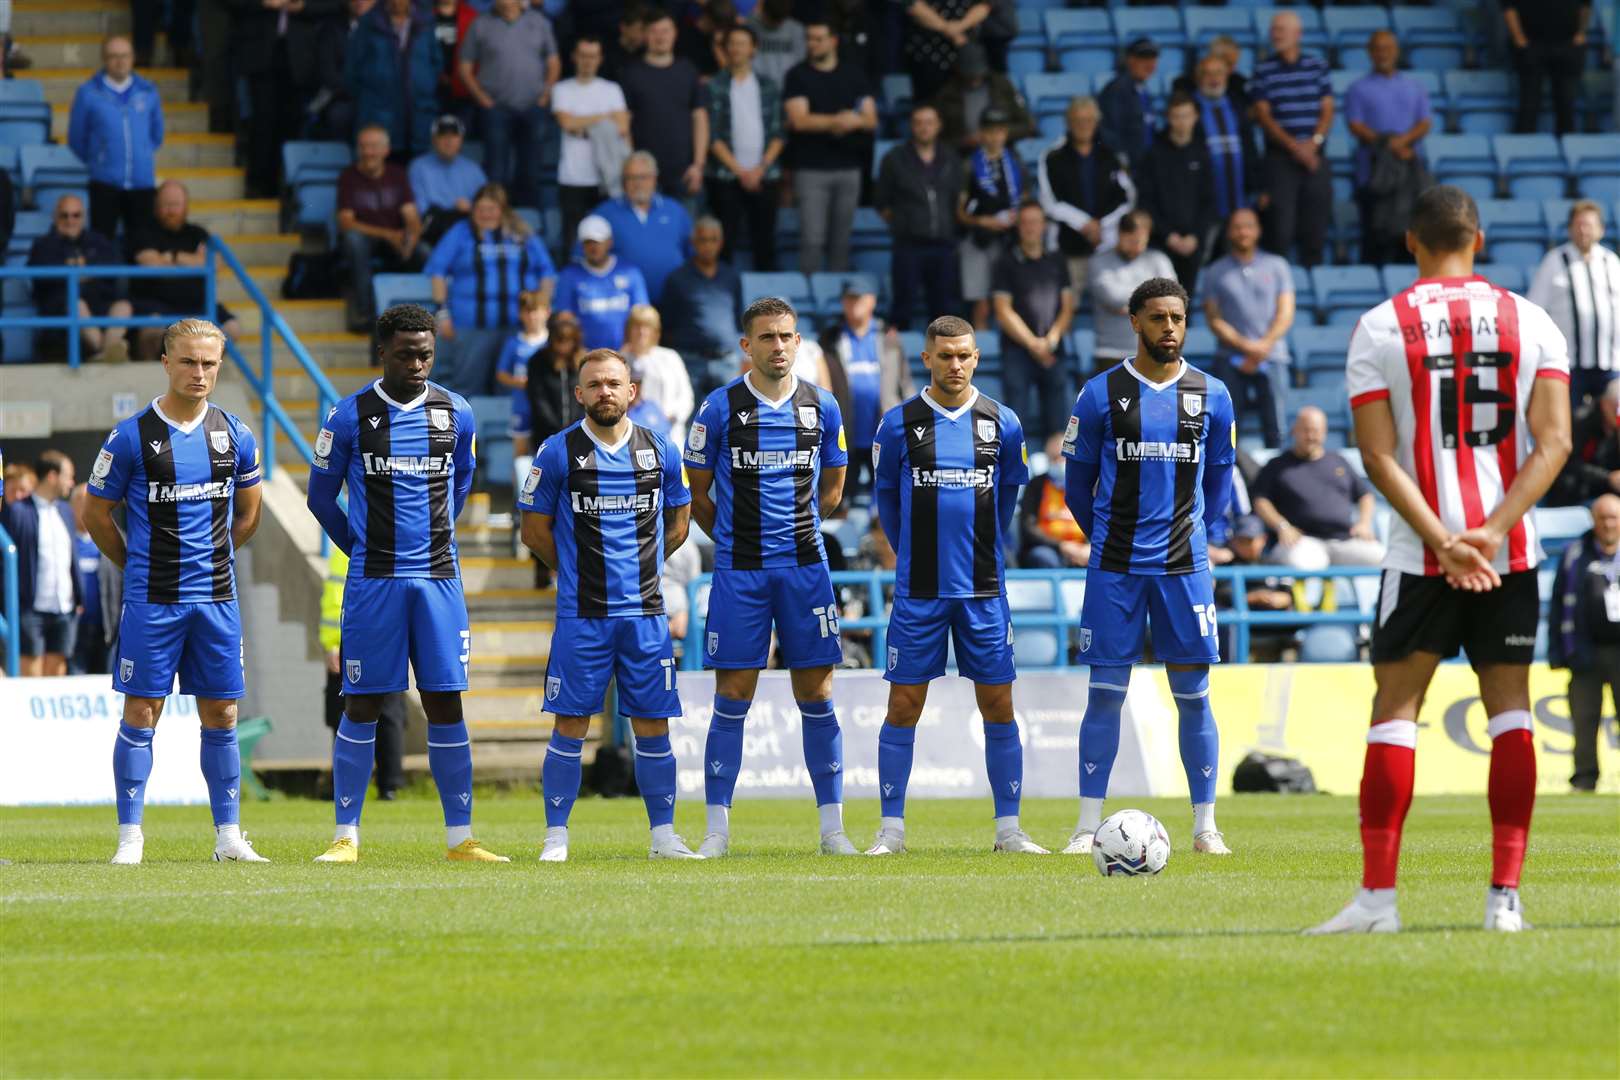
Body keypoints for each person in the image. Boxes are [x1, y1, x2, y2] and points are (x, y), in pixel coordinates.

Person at [1310, 185, 1574, 934]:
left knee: (1395, 713)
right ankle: (1504, 901)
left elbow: (1376, 452)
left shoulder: (1379, 325)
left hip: (1419, 553)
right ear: (1479, 239)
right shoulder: (1533, 320)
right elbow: (1554, 442)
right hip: (1509, 553)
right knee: (1511, 713)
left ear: (1411, 242)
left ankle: (1378, 902)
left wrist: (1443, 538)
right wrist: (1489, 533)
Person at [306, 304, 507, 864]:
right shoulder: (348, 417)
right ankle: (345, 836)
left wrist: (434, 534)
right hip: (374, 582)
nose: (417, 364)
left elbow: (462, 480)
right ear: (382, 352)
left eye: (425, 354)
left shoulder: (456, 412)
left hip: (440, 580)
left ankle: (460, 838)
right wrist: (363, 549)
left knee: (445, 702)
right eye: (405, 354)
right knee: (364, 702)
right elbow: (320, 499)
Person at [1060, 276, 1236, 858]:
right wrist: (1112, 538)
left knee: (1194, 694)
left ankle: (1206, 826)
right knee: (1105, 693)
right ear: (1134, 321)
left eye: (1177, 319)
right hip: (1115, 567)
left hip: (1185, 567)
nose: (1169, 328)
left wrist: (1190, 534)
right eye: (1157, 318)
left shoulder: (1212, 395)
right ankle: (1088, 826)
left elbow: (1219, 482)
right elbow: (1077, 489)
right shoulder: (1099, 394)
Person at [81, 318, 267, 865]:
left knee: (223, 714)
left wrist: (216, 558)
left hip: (215, 599)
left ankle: (229, 835)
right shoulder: (130, 435)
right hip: (153, 600)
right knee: (142, 711)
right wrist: (136, 563)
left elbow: (249, 514)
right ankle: (130, 838)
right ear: (166, 362)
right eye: (188, 361)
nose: (199, 373)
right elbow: (95, 514)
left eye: (209, 363)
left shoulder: (235, 433)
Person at [865, 314, 1044, 855]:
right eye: (945, 355)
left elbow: (1008, 497)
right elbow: (888, 504)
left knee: (998, 703)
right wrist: (912, 554)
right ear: (927, 358)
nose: (956, 364)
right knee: (903, 706)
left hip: (984, 589)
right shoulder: (897, 425)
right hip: (919, 591)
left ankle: (1008, 830)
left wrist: (978, 546)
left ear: (976, 357)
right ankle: (891, 831)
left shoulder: (1003, 423)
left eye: (964, 355)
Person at [683, 296, 855, 857]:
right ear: (746, 345)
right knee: (733, 695)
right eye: (766, 338)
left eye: (786, 336)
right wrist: (737, 536)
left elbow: (832, 487)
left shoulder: (823, 407)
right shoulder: (718, 408)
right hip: (740, 571)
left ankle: (833, 830)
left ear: (798, 341)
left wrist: (799, 529)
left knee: (818, 692)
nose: (777, 347)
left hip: (806, 569)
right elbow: (698, 495)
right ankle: (716, 832)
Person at [518, 349, 699, 860]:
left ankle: (664, 836)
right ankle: (556, 837)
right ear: (579, 395)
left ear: (631, 391)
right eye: (594, 385)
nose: (605, 392)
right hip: (583, 616)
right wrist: (575, 568)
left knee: (653, 724)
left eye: (614, 384)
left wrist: (643, 566)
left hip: (645, 615)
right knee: (570, 723)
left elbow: (680, 521)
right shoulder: (557, 452)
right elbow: (534, 530)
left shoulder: (660, 451)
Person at [425, 182, 557, 396]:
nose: (486, 215)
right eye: (480, 209)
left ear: (503, 209)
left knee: (512, 387)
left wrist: (542, 309)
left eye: (491, 209)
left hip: (517, 327)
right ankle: (463, 430)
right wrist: (442, 313)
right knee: (467, 386)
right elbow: (437, 271)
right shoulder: (461, 232)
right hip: (472, 326)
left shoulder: (522, 233)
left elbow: (547, 273)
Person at [783, 21, 877, 276]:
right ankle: (806, 304)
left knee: (841, 243)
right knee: (812, 240)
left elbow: (870, 119)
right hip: (811, 169)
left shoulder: (854, 74)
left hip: (849, 169)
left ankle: (837, 301)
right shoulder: (797, 75)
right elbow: (799, 120)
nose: (812, 44)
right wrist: (839, 120)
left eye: (818, 38)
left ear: (833, 41)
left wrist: (854, 120)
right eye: (809, 39)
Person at [320, 547, 407, 801]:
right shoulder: (394, 540)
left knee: (347, 713)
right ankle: (389, 784)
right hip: (387, 634)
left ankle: (346, 784)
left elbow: (335, 600)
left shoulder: (345, 546)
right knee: (389, 711)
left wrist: (332, 642)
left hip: (353, 637)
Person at [1203, 208, 1295, 448]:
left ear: (1258, 230)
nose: (1243, 231)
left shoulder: (1277, 266)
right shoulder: (1215, 271)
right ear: (1229, 232)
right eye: (1237, 226)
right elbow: (1214, 319)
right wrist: (1247, 347)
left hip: (1273, 357)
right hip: (1230, 358)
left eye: (1249, 226)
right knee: (1227, 430)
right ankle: (1231, 483)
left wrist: (1263, 346)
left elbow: (1285, 311)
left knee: (1278, 429)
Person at [1252, 407, 1383, 572]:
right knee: (1304, 565)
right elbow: (1260, 500)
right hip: (1303, 541)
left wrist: (1364, 523)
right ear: (1294, 431)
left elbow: (1365, 495)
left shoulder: (1339, 461)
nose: (1311, 436)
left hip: (1345, 540)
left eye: (1316, 431)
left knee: (1384, 558)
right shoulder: (1277, 465)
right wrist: (1282, 526)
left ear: (1325, 432)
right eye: (1306, 430)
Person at [457, 0, 559, 212]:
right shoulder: (480, 24)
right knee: (496, 170)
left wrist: (546, 93)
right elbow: (464, 67)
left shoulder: (539, 22)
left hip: (532, 107)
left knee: (531, 169)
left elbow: (554, 62)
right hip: (496, 109)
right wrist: (481, 98)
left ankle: (528, 223)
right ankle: (495, 218)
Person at [1548, 494, 1620, 792]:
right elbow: (1557, 604)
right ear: (1593, 520)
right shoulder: (1575, 553)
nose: (1607, 524)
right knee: (1583, 719)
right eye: (1601, 518)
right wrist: (1558, 653)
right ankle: (1584, 779)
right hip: (1585, 650)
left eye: (1613, 518)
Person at [820, 279, 915, 503]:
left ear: (872, 300)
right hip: (844, 433)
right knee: (838, 501)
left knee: (888, 503)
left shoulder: (888, 336)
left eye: (859, 298)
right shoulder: (830, 338)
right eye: (849, 299)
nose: (854, 304)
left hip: (883, 433)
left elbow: (905, 383)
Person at [1251, 12, 1333, 268]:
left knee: (1315, 227)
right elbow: (1263, 115)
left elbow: (1328, 109)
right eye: (1274, 30)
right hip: (1280, 158)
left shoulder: (1317, 66)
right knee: (1280, 228)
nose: (1276, 35)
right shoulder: (1263, 69)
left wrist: (1314, 143)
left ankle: (1314, 279)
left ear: (1298, 34)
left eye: (1281, 30)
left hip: (1314, 156)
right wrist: (1295, 147)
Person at [1345, 32, 1434, 268]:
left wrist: (1402, 142)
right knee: (1374, 236)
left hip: (1408, 174)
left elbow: (1424, 122)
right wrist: (1388, 144)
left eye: (1388, 48)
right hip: (1374, 174)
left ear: (1396, 51)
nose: (1383, 53)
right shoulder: (1358, 88)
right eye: (1378, 48)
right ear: (1370, 52)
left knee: (1408, 238)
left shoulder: (1414, 86)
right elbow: (1355, 124)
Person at [129, 182, 243, 362]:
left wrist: (172, 257)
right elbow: (151, 265)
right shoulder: (144, 233)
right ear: (157, 207)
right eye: (165, 205)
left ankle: (203, 370)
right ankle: (151, 375)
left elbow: (215, 264)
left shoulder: (197, 233)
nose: (171, 210)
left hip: (198, 305)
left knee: (232, 329)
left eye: (176, 205)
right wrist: (194, 261)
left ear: (186, 206)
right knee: (150, 331)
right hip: (157, 304)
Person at [67, 35, 163, 249]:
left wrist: (143, 155)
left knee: (143, 248)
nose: (120, 61)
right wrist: (99, 160)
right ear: (104, 59)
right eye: (113, 56)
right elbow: (76, 138)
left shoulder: (148, 91)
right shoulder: (88, 93)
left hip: (142, 183)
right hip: (104, 183)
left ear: (133, 58)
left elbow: (157, 134)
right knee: (101, 247)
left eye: (125, 56)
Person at [705, 24, 787, 274]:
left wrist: (759, 169)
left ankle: (769, 306)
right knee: (724, 243)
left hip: (765, 176)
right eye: (732, 43)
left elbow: (778, 133)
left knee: (765, 243)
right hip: (726, 177)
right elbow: (712, 135)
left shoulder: (768, 86)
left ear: (753, 48)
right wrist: (740, 171)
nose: (737, 48)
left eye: (742, 43)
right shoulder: (714, 85)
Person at [993, 200, 1076, 442]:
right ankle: (1016, 473)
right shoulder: (1005, 261)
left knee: (1058, 422)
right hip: (1017, 351)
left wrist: (1051, 339)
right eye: (1026, 222)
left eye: (1035, 222)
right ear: (1018, 226)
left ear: (1044, 226)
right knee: (1014, 420)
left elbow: (1067, 306)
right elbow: (1003, 310)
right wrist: (1033, 344)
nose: (1031, 227)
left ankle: (1056, 476)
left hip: (1053, 347)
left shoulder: (1057, 260)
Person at [1037, 96, 1134, 302]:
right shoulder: (1052, 156)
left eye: (1088, 120)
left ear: (1096, 122)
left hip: (1107, 244)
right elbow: (1049, 201)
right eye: (1077, 120)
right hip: (1068, 247)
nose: (1083, 125)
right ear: (1068, 123)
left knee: (1115, 304)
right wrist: (1085, 224)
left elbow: (1126, 198)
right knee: (1066, 308)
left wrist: (1101, 224)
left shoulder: (1111, 155)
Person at [876, 104, 963, 330]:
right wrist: (904, 224)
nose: (924, 128)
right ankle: (897, 361)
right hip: (908, 244)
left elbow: (958, 200)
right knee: (902, 306)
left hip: (943, 244)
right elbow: (882, 202)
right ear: (912, 126)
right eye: (919, 123)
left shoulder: (951, 158)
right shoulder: (894, 158)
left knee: (943, 310)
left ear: (938, 126)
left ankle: (942, 361)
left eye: (929, 122)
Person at [1529, 200, 1620, 409]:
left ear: (1601, 229)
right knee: (1572, 427)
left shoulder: (1611, 262)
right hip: (1570, 364)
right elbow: (1536, 309)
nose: (1583, 230)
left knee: (1614, 423)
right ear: (1569, 229)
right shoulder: (1554, 261)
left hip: (1611, 363)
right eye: (1578, 225)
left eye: (1589, 225)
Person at [337, 125, 427, 333]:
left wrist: (411, 238)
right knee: (353, 240)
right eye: (363, 147)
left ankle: (419, 316)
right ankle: (366, 313)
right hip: (369, 240)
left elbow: (412, 217)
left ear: (386, 150)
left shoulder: (398, 174)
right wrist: (389, 235)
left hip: (395, 239)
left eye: (374, 147)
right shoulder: (348, 176)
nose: (368, 152)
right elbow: (346, 222)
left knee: (424, 251)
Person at [0, 451, 80, 677]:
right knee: (30, 677)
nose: (72, 483)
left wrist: (78, 597)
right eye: (69, 476)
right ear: (53, 476)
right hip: (30, 610)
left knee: (58, 675)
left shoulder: (66, 511)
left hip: (64, 610)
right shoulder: (18, 511)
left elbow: (70, 558)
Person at [27, 194, 133, 362]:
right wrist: (82, 271)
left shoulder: (98, 241)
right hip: (61, 312)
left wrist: (76, 270)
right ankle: (105, 351)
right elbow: (40, 274)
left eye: (76, 215)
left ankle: (105, 352)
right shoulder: (44, 244)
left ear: (84, 217)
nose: (70, 220)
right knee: (78, 304)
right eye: (64, 215)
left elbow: (112, 267)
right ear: (55, 217)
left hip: (99, 306)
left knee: (123, 306)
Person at [551, 35, 631, 252]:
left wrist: (585, 124)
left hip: (606, 177)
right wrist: (605, 119)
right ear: (574, 58)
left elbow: (622, 127)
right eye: (583, 56)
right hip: (573, 176)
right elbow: (567, 123)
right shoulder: (562, 89)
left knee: (608, 236)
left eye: (593, 56)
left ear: (600, 59)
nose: (588, 61)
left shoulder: (612, 89)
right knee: (572, 239)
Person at [620, 11, 707, 201]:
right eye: (654, 31)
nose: (660, 37)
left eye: (665, 31)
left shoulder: (688, 70)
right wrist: (633, 167)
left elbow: (700, 118)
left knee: (683, 230)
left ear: (675, 33)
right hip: (643, 175)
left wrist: (698, 165)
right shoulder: (631, 73)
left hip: (684, 173)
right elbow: (624, 123)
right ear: (645, 35)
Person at [1136, 93, 1218, 294]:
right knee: (1160, 299)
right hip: (1161, 241)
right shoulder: (1153, 154)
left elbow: (1209, 201)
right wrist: (1168, 236)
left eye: (1186, 115)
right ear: (1168, 118)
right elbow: (1146, 200)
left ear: (1195, 117)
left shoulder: (1203, 153)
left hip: (1193, 243)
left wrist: (1196, 236)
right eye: (1176, 116)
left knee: (1185, 302)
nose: (1181, 122)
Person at [589, 153, 695, 306]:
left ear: (654, 179)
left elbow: (692, 254)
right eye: (631, 178)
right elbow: (586, 260)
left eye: (643, 177)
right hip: (623, 307)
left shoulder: (675, 210)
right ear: (623, 182)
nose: (638, 183)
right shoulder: (604, 214)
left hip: (674, 304)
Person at [344, 0, 442, 161]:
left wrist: (424, 85)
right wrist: (373, 93)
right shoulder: (369, 23)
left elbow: (436, 62)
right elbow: (352, 69)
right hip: (378, 113)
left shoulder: (426, 22)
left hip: (419, 113)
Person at [956, 106, 1023, 330]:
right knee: (982, 304)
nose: (995, 136)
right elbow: (960, 212)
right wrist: (983, 222)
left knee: (1008, 301)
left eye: (1000, 131)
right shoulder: (968, 164)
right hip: (978, 240)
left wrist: (1016, 218)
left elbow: (1026, 199)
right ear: (982, 133)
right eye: (990, 131)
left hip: (1009, 238)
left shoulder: (1015, 161)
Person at [661, 217, 742, 396]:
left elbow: (738, 320)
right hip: (690, 362)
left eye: (713, 240)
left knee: (730, 420)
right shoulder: (676, 279)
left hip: (726, 361)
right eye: (703, 240)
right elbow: (667, 325)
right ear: (693, 243)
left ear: (720, 243)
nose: (708, 246)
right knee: (692, 422)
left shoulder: (731, 276)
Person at [1089, 210, 1177, 368]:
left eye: (1141, 242)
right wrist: (1152, 304)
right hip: (1110, 353)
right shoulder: (1099, 262)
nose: (1136, 247)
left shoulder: (1159, 260)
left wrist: (1132, 307)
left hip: (1154, 351)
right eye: (1132, 241)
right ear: (1120, 234)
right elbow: (1112, 298)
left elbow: (1171, 299)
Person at [554, 215, 651, 352]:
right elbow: (564, 318)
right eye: (588, 242)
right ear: (581, 245)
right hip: (585, 355)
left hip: (627, 352)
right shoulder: (569, 276)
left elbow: (642, 315)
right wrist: (579, 351)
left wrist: (629, 348)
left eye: (598, 241)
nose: (593, 247)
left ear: (609, 242)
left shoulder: (630, 272)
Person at [1185, 54, 1259, 229]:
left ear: (1227, 76)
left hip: (1240, 196)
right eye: (1208, 74)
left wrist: (1258, 187)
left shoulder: (1237, 106)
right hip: (1201, 202)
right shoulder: (1189, 108)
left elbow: (1250, 148)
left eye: (1219, 73)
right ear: (1198, 78)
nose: (1214, 79)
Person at [1504, 0, 1590, 135]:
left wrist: (1581, 33)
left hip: (1567, 44)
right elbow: (1508, 6)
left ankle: (1568, 150)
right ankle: (1521, 150)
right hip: (1531, 44)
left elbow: (1586, 5)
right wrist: (1519, 38)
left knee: (1566, 104)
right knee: (1529, 104)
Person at [931, 42, 1034, 153]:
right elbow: (938, 137)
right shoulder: (947, 93)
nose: (974, 78)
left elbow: (1026, 125)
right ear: (959, 70)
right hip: (963, 155)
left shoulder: (1002, 85)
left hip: (1003, 150)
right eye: (969, 74)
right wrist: (964, 141)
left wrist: (996, 134)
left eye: (977, 73)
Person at [409, 115, 489, 247]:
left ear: (461, 140)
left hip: (468, 225)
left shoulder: (473, 168)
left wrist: (472, 207)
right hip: (436, 229)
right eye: (443, 136)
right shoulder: (418, 167)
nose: (449, 141)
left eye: (454, 136)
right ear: (434, 140)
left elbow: (490, 201)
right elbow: (421, 210)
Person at [621, 304, 695, 445]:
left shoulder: (670, 357)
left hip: (670, 436)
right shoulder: (619, 360)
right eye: (637, 326)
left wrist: (668, 415)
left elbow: (686, 397)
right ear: (628, 330)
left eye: (647, 327)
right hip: (631, 440)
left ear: (655, 331)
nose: (642, 332)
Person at [1017, 433, 1089, 570]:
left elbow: (1101, 521)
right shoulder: (1036, 485)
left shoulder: (1089, 484)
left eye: (1063, 457)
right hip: (1049, 549)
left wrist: (1090, 547)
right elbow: (1028, 527)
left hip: (1083, 549)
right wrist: (1061, 546)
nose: (1060, 463)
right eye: (1054, 458)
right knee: (1044, 557)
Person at [902, 0, 991, 105]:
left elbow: (985, 4)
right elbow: (912, 5)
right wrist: (947, 28)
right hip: (927, 54)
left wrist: (960, 26)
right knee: (929, 104)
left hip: (967, 49)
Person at [496, 290, 551, 458]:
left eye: (536, 310)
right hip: (522, 405)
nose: (532, 316)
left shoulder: (552, 342)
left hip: (548, 405)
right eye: (528, 311)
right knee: (519, 453)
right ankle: (520, 484)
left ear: (547, 312)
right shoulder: (514, 343)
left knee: (548, 451)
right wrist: (519, 383)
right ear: (521, 314)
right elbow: (501, 374)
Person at [1547, 381, 1620, 505]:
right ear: (1605, 404)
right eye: (1616, 409)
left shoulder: (1614, 427)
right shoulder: (1581, 421)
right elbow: (1567, 464)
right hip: (1578, 491)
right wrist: (1607, 477)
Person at [1098, 38, 1159, 166]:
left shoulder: (1142, 89)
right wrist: (1121, 158)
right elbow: (1109, 129)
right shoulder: (1117, 89)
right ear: (1130, 60)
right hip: (1128, 166)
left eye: (1153, 59)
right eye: (1144, 59)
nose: (1149, 64)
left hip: (1145, 163)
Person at [69, 484, 107, 675]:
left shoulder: (107, 540)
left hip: (105, 627)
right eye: (82, 502)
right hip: (75, 627)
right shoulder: (65, 541)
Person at [749, 0, 805, 89]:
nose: (775, 24)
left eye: (779, 21)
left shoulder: (797, 30)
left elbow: (800, 63)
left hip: (789, 87)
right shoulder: (750, 27)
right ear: (764, 12)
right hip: (757, 86)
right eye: (771, 20)